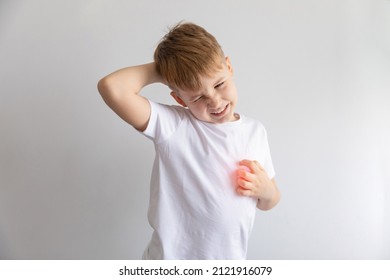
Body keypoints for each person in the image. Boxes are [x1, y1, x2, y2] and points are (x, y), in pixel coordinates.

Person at [97, 22, 281, 260]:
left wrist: (266, 192)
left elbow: (269, 201)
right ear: (179, 98)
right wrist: (166, 69)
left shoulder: (256, 131)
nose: (214, 101)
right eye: (197, 97)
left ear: (229, 66)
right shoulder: (174, 125)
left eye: (219, 84)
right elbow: (112, 88)